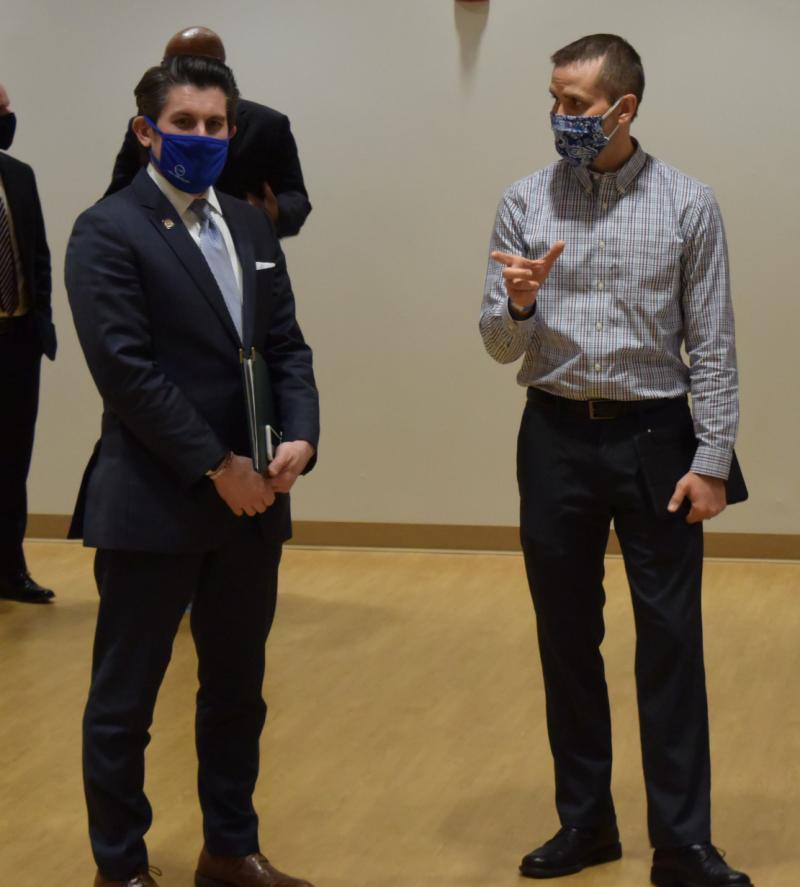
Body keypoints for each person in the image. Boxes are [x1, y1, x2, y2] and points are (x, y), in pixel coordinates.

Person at [479, 34, 752, 886]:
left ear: (622, 109)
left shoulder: (687, 203)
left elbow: (712, 344)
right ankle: (585, 822)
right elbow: (495, 343)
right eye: (554, 101)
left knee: (670, 640)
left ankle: (682, 842)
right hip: (554, 433)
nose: (560, 116)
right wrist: (518, 302)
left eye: (576, 105)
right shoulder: (525, 200)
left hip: (655, 438)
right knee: (567, 637)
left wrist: (711, 458)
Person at [66, 55, 319, 887]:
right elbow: (128, 372)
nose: (204, 138)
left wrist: (301, 439)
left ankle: (230, 849)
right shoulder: (107, 229)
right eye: (186, 124)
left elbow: (285, 345)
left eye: (217, 125)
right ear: (147, 132)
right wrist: (217, 465)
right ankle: (121, 865)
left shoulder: (250, 226)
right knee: (126, 700)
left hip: (253, 504)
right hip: (157, 501)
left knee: (238, 689)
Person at [104, 26, 312, 240]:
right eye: (183, 122)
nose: (194, 72)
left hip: (243, 241)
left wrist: (272, 215)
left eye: (214, 124)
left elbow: (295, 196)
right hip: (161, 238)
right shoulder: (150, 124)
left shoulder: (268, 124)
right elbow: (121, 190)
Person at [0, 82, 56, 605]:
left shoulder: (20, 176)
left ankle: (9, 568)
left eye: (8, 110)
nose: (8, 119)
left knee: (13, 458)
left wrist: (44, 326)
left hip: (17, 340)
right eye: (0, 112)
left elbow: (37, 255)